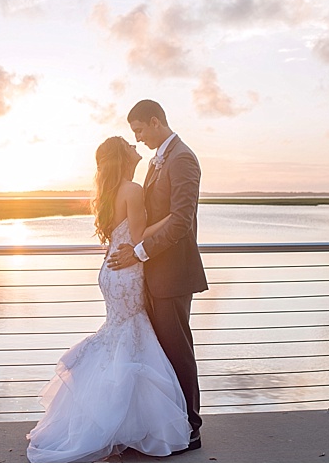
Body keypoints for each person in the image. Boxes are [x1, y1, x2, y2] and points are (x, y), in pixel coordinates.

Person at [26, 136, 191, 463]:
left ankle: (117, 419)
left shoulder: (111, 192)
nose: (135, 147)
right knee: (128, 337)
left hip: (111, 272)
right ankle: (123, 422)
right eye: (129, 145)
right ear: (122, 156)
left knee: (119, 335)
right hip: (127, 272)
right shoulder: (132, 189)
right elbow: (140, 236)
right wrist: (172, 218)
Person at [107, 99, 208, 452]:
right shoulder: (157, 160)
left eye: (138, 130)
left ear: (154, 122)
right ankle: (165, 423)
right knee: (161, 352)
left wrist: (137, 253)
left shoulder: (182, 158)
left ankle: (191, 428)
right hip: (152, 273)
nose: (137, 138)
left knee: (178, 350)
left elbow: (181, 220)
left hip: (174, 273)